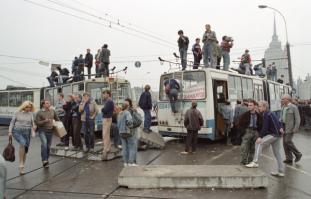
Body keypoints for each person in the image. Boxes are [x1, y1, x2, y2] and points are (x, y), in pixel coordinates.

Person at [245, 101, 285, 176]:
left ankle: (255, 162)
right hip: (277, 135)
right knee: (277, 154)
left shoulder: (267, 114)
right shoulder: (270, 112)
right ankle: (281, 171)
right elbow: (279, 121)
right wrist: (281, 127)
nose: (258, 108)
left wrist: (260, 137)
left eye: (260, 106)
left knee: (258, 143)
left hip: (273, 135)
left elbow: (265, 127)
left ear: (264, 107)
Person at [8, 101, 35, 175]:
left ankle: (22, 166)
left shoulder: (31, 114)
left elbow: (33, 124)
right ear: (23, 106)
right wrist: (10, 132)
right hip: (17, 131)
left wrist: (33, 130)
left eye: (30, 107)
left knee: (25, 150)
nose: (28, 108)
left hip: (27, 132)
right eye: (27, 107)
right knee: (22, 143)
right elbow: (12, 122)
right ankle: (20, 164)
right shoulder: (17, 112)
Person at [35, 99, 59, 168]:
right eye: (47, 103)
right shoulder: (39, 112)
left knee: (48, 146)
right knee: (44, 144)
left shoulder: (52, 111)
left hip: (50, 131)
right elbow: (37, 122)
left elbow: (57, 119)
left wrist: (60, 126)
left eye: (49, 103)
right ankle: (44, 160)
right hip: (42, 130)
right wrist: (44, 121)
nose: (49, 104)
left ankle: (46, 160)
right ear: (43, 105)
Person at [237, 100, 262, 165]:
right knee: (244, 147)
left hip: (255, 131)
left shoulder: (258, 115)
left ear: (254, 106)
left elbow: (261, 125)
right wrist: (243, 131)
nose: (249, 107)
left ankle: (250, 161)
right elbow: (239, 124)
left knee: (253, 147)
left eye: (251, 105)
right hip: (248, 131)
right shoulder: (245, 115)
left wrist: (259, 133)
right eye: (248, 105)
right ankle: (243, 162)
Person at [281, 94, 302, 164]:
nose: (282, 100)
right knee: (284, 143)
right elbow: (281, 118)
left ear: (287, 99)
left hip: (290, 127)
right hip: (283, 127)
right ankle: (289, 158)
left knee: (287, 141)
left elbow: (298, 119)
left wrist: (296, 128)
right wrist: (280, 127)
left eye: (283, 99)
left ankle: (298, 154)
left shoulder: (293, 107)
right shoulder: (283, 107)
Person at [117, 99, 138, 166]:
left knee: (124, 148)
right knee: (131, 147)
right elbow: (129, 121)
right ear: (128, 106)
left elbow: (118, 124)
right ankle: (131, 162)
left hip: (121, 132)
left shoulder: (119, 113)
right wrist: (131, 126)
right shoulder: (127, 113)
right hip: (127, 132)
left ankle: (125, 162)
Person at [101, 90, 114, 160]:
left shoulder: (109, 101)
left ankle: (105, 149)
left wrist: (102, 109)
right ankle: (108, 148)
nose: (103, 95)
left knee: (105, 135)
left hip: (107, 119)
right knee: (107, 134)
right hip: (108, 118)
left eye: (104, 94)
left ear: (108, 94)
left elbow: (104, 110)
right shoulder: (109, 101)